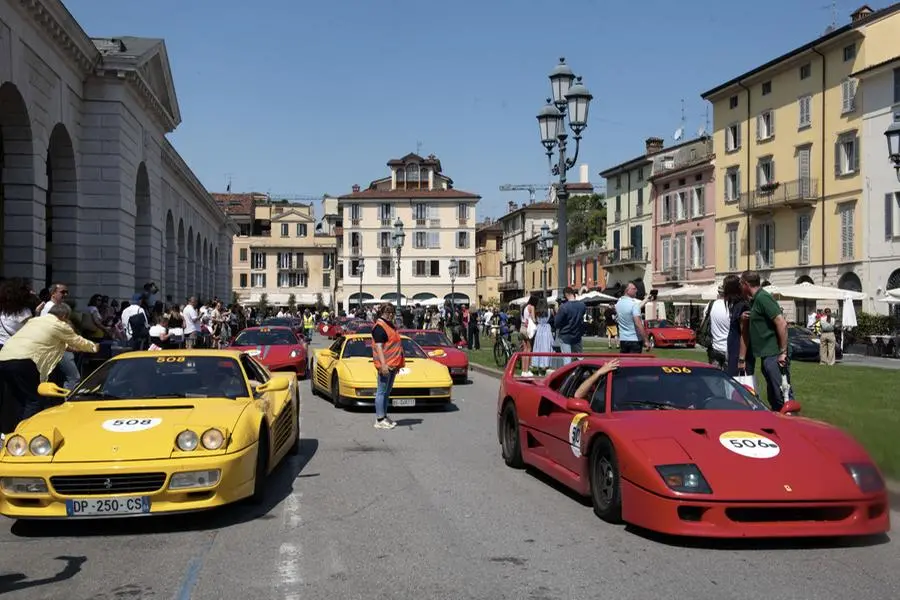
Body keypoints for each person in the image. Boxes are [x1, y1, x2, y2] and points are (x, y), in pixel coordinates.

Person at [0, 303, 98, 429]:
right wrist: (95, 347)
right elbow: (78, 341)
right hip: (24, 360)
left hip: (4, 358)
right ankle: (26, 431)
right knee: (34, 399)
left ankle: (8, 431)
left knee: (15, 398)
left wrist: (67, 347)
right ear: (64, 316)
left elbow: (44, 340)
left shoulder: (34, 321)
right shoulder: (59, 324)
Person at [739, 271, 792, 411]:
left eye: (740, 284)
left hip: (774, 354)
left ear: (745, 284)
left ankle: (791, 423)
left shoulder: (763, 298)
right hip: (767, 355)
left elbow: (781, 323)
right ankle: (778, 422)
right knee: (773, 395)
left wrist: (783, 352)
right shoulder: (755, 300)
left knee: (782, 393)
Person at [371, 303, 404, 430]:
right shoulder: (380, 327)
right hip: (385, 365)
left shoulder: (390, 326)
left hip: (393, 365)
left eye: (392, 312)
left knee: (386, 392)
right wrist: (383, 365)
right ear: (382, 313)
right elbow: (379, 347)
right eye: (388, 312)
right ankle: (379, 419)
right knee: (381, 391)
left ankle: (384, 416)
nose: (390, 315)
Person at [722, 274, 754, 377]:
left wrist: (741, 359)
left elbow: (745, 334)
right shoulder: (736, 305)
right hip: (734, 351)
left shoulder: (742, 306)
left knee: (739, 386)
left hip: (739, 354)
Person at [554, 287, 586, 364]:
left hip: (565, 335)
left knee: (567, 359)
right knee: (580, 357)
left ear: (566, 295)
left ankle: (568, 375)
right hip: (577, 334)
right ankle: (581, 373)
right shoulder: (582, 305)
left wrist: (557, 311)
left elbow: (556, 323)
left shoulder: (564, 307)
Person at [615, 283, 650, 354]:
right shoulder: (634, 305)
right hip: (635, 340)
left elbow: (630, 309)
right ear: (627, 291)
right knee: (634, 364)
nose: (636, 290)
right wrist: (646, 340)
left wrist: (646, 300)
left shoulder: (618, 304)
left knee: (625, 363)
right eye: (634, 289)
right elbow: (638, 323)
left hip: (623, 340)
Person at [704, 286, 730, 369]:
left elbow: (704, 322)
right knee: (729, 378)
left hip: (714, 347)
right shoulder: (732, 305)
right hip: (728, 348)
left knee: (715, 377)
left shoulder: (710, 304)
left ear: (718, 293)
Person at [519, 295, 539, 376]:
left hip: (522, 327)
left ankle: (523, 370)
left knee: (524, 349)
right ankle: (526, 370)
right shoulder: (532, 307)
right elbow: (533, 319)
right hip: (528, 329)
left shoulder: (524, 306)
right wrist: (536, 321)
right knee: (529, 349)